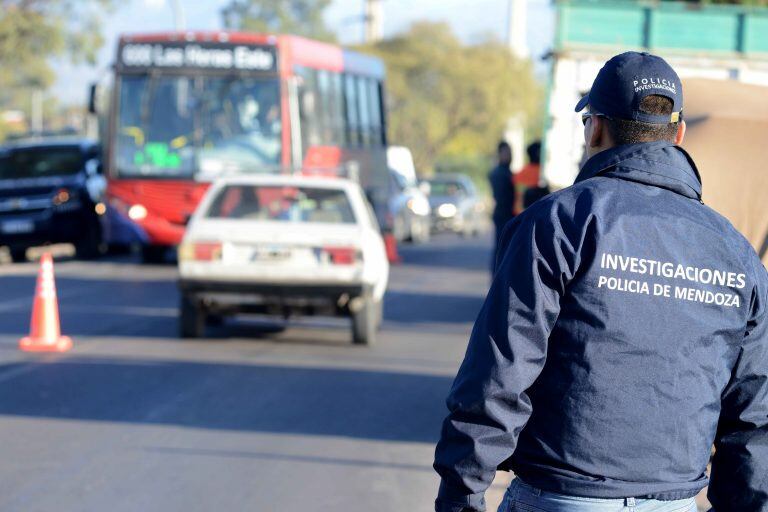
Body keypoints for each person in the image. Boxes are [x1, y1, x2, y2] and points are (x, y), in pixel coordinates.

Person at [434, 51, 768, 512]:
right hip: (674, 501)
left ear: (594, 128)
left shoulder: (557, 223)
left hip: (558, 498)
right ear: (680, 135)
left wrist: (461, 494)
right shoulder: (735, 251)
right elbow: (753, 413)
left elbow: (497, 375)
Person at [488, 141, 515, 273]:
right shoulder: (500, 173)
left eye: (510, 153)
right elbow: (503, 198)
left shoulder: (506, 172)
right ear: (500, 154)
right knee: (501, 248)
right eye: (506, 153)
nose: (509, 156)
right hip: (503, 215)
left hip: (505, 214)